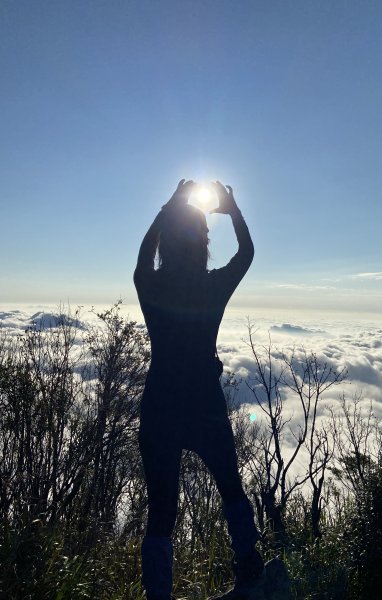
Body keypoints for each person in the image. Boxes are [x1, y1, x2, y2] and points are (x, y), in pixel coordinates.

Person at [134, 180, 264, 600]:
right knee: (230, 488)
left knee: (161, 514)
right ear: (204, 244)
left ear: (166, 242)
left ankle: (159, 595)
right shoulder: (211, 288)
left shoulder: (152, 286)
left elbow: (140, 262)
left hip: (159, 408)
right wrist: (233, 210)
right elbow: (246, 254)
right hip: (205, 406)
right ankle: (248, 571)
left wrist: (167, 208)